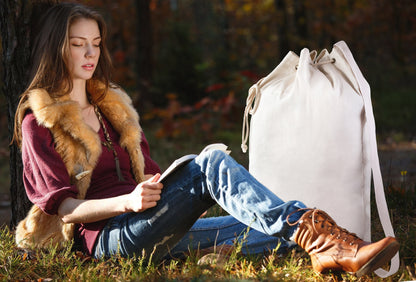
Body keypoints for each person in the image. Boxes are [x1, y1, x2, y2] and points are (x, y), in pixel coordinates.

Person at [13, 2, 399, 277]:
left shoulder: (113, 110)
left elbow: (151, 178)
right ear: (56, 47)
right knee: (209, 164)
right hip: (108, 239)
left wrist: (150, 189)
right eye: (79, 43)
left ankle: (327, 248)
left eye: (96, 43)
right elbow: (63, 208)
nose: (90, 53)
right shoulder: (39, 123)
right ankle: (329, 243)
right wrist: (126, 202)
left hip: (150, 227)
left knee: (272, 232)